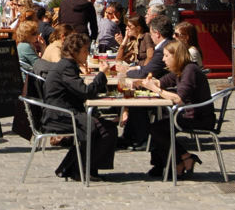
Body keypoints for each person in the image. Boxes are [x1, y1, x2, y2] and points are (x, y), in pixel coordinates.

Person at [42, 33, 116, 181]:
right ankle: (82, 169)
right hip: (60, 115)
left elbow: (80, 90)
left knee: (104, 126)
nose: (87, 54)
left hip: (64, 111)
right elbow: (85, 92)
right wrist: (101, 74)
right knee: (102, 128)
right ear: (75, 52)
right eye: (85, 51)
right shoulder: (66, 67)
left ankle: (75, 168)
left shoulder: (67, 65)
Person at [136, 41, 214, 178]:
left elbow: (178, 99)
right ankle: (168, 163)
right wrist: (141, 83)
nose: (163, 59)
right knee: (157, 126)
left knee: (156, 129)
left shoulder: (190, 70)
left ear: (176, 56)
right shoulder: (179, 70)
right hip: (187, 114)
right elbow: (161, 82)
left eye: (166, 56)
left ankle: (181, 159)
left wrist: (155, 89)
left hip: (199, 117)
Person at [115, 15, 174, 149]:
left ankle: (141, 138)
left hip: (167, 88)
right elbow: (146, 68)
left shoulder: (163, 49)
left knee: (137, 99)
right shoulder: (167, 45)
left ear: (157, 34)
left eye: (152, 33)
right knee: (135, 97)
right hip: (162, 83)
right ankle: (130, 136)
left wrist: (127, 71)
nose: (151, 37)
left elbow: (145, 73)